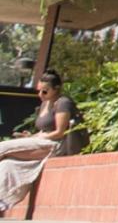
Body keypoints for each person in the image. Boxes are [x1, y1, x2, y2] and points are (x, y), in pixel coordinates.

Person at [0, 70, 82, 212]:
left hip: (55, 145)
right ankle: (3, 203)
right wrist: (30, 137)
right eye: (39, 91)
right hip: (41, 142)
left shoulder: (63, 103)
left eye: (45, 92)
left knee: (2, 148)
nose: (40, 95)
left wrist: (38, 138)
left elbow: (59, 132)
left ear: (56, 89)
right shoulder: (45, 104)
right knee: (7, 165)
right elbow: (43, 131)